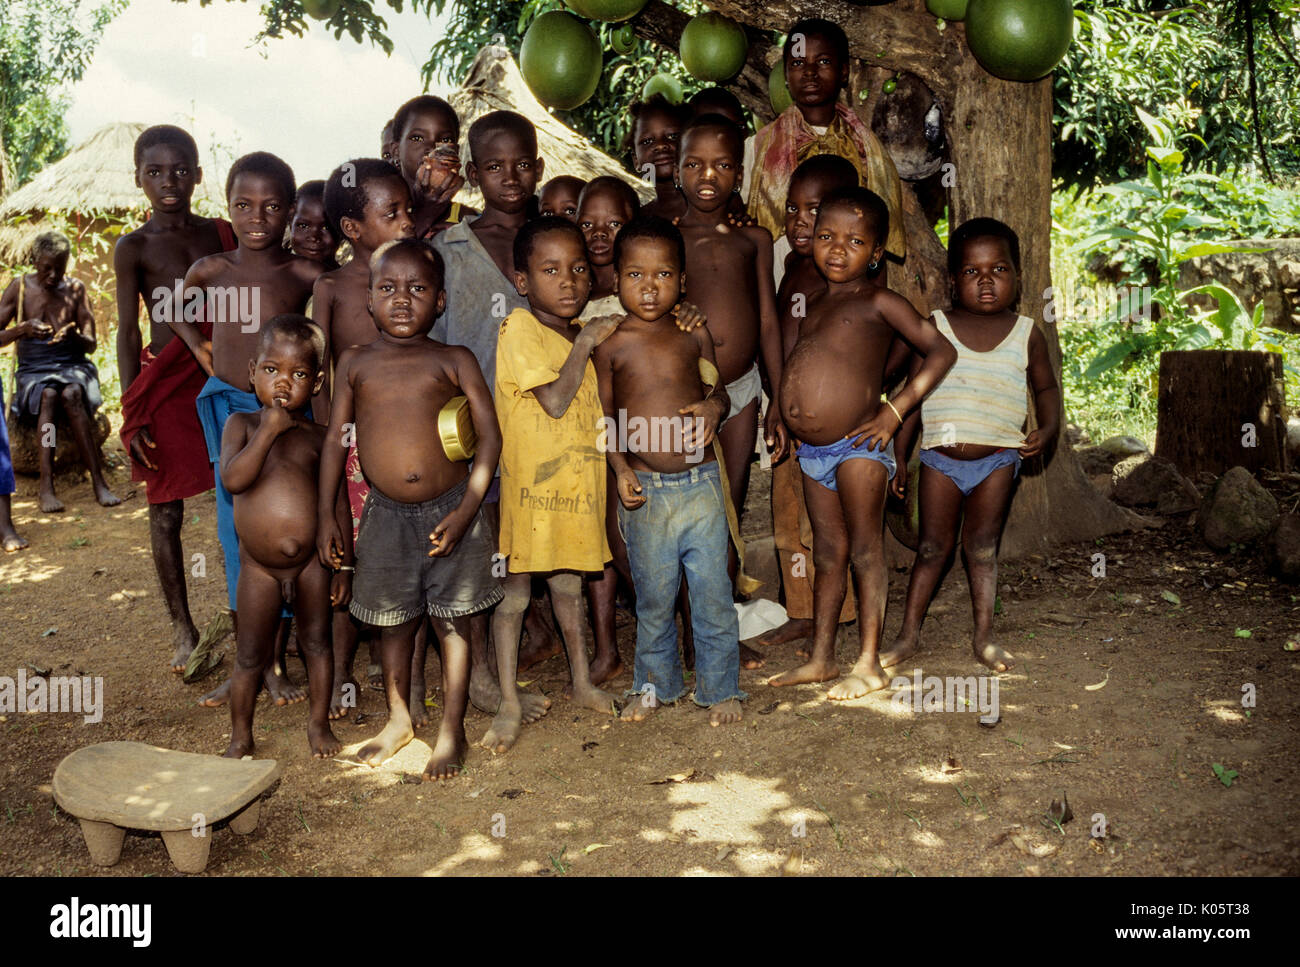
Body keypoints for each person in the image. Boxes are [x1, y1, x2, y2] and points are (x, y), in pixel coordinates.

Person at [318, 239, 503, 780]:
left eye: (418, 289)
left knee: (453, 623)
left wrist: (469, 507)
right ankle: (399, 719)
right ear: (369, 300)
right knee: (393, 623)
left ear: (440, 301)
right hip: (384, 515)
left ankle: (452, 727)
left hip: (452, 513)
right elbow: (335, 442)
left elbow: (490, 438)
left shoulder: (453, 360)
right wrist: (330, 514)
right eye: (388, 289)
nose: (402, 300)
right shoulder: (354, 364)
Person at [772, 187, 955, 698]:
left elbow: (940, 352)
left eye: (854, 241)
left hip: (860, 447)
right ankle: (822, 658)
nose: (836, 248)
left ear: (876, 253)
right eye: (827, 236)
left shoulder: (880, 301)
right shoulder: (815, 303)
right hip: (812, 454)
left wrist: (893, 413)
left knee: (865, 552)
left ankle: (870, 662)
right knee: (828, 552)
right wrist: (785, 415)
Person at [170, 150, 324, 707]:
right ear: (227, 205)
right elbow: (176, 310)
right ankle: (250, 665)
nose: (256, 217)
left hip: (286, 419)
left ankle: (277, 664)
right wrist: (203, 353)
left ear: (287, 213)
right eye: (243, 205)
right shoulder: (212, 269)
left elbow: (322, 343)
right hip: (232, 413)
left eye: (271, 206)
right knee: (235, 533)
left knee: (280, 530)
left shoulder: (303, 274)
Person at [882, 218, 1059, 674]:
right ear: (953, 278)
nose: (985, 281)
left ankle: (983, 637)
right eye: (971, 272)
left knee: (981, 549)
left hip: (998, 460)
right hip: (940, 460)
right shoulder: (936, 328)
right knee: (930, 549)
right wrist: (899, 456)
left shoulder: (1026, 333)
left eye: (998, 270)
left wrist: (1050, 428)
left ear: (1017, 277)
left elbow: (1045, 389)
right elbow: (913, 399)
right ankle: (907, 637)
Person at [595, 215, 744, 727]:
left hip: (700, 484)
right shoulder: (610, 344)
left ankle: (722, 689)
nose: (649, 286)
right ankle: (655, 686)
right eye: (635, 275)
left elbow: (717, 391)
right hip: (647, 492)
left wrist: (712, 410)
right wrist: (618, 470)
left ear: (682, 281)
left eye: (662, 275)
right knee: (655, 598)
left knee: (712, 594)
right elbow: (605, 418)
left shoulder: (693, 332)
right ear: (615, 281)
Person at [432, 109, 554, 716]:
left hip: (547, 429)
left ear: (539, 165)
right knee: (478, 556)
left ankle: (525, 650)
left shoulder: (554, 240)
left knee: (525, 547)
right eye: (494, 166)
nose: (511, 176)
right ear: (474, 174)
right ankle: (480, 677)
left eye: (522, 163)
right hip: (476, 434)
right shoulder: (448, 249)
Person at [484, 217, 622, 754]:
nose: (567, 281)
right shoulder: (519, 329)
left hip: (577, 488)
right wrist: (587, 338)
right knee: (515, 598)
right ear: (523, 282)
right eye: (550, 270)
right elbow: (556, 400)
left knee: (568, 588)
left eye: (578, 269)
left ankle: (582, 682)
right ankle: (509, 703)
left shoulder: (573, 333)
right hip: (530, 495)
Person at [115, 124, 236, 671]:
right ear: (138, 177)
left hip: (222, 372)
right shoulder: (133, 247)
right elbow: (125, 330)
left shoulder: (222, 233)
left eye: (181, 170)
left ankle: (251, 614)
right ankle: (181, 625)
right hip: (164, 383)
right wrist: (131, 408)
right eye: (156, 172)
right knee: (165, 510)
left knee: (242, 493)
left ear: (198, 175)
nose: (170, 182)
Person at [675, 115, 787, 661]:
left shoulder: (754, 239)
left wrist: (777, 399)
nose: (707, 176)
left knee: (728, 507)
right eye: (694, 164)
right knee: (687, 507)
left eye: (722, 165)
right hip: (687, 392)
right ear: (676, 171)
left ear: (739, 175)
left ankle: (715, 630)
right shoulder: (665, 240)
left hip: (742, 389)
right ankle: (691, 631)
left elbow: (767, 321)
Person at [315, 157, 416, 718]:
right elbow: (320, 369)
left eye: (407, 209)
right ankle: (341, 677)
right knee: (346, 563)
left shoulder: (417, 273)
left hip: (407, 445)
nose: (406, 221)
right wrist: (332, 447)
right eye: (392, 212)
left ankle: (405, 679)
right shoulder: (331, 286)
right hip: (352, 450)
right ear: (353, 231)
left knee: (404, 557)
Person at [220, 316, 349, 759]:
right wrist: (269, 430)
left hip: (312, 564)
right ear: (252, 370)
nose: (283, 382)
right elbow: (234, 480)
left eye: (298, 374)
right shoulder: (240, 425)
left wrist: (344, 565)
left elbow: (337, 505)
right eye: (272, 370)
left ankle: (318, 726)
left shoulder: (319, 437)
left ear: (315, 385)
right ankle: (240, 736)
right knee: (250, 656)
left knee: (317, 643)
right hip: (259, 568)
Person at [762, 154, 861, 650]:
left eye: (814, 211)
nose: (801, 222)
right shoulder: (793, 266)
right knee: (788, 518)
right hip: (786, 415)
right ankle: (801, 609)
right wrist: (777, 404)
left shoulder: (841, 278)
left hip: (829, 428)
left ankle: (836, 612)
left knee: (823, 524)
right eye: (793, 209)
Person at [744, 18, 906, 285]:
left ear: (844, 72)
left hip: (847, 283)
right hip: (778, 276)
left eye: (823, 62)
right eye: (797, 63)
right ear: (785, 75)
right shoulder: (759, 146)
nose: (809, 72)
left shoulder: (867, 148)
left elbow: (877, 229)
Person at [0, 232, 119, 514]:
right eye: (46, 268)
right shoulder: (19, 288)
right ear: (34, 262)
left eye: (59, 268)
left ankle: (99, 482)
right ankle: (46, 485)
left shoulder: (75, 289)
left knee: (72, 393)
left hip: (73, 366)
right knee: (49, 396)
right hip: (34, 370)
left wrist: (74, 336)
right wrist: (22, 329)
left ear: (67, 264)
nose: (53, 275)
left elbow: (91, 344)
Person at [391, 95, 474, 239]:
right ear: (396, 151)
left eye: (445, 140)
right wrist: (426, 214)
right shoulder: (382, 215)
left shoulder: (466, 219)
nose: (431, 148)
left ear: (456, 152)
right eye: (417, 138)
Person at [626, 95, 689, 221]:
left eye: (673, 136)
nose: (660, 145)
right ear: (636, 160)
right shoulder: (638, 221)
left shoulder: (719, 207)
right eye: (647, 141)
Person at [288, 181, 339, 269]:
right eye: (303, 226)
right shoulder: (274, 276)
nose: (314, 237)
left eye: (326, 227)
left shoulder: (348, 282)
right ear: (291, 222)